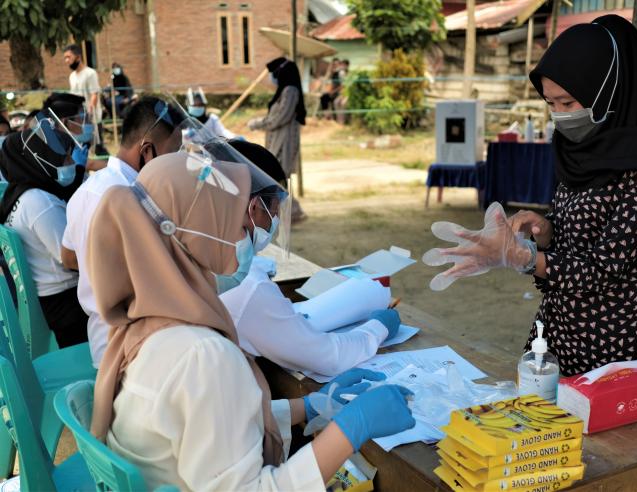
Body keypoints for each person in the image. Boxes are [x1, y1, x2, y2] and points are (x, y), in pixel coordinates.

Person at [87, 149, 415, 490]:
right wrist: (350, 430)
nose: (242, 242)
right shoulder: (202, 355)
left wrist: (307, 407)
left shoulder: (144, 328)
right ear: (195, 239)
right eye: (235, 227)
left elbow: (204, 426)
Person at [424, 15, 637, 377]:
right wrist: (547, 227)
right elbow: (579, 231)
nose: (560, 115)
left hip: (618, 354)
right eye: (551, 103)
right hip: (560, 339)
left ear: (608, 91)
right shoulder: (580, 152)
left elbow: (604, 269)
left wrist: (523, 257)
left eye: (569, 103)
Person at [219, 139, 401, 376]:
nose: (275, 218)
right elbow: (327, 357)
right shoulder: (247, 284)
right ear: (254, 208)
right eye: (275, 209)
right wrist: (378, 328)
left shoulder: (199, 250)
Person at [61, 97, 186, 367]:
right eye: (174, 154)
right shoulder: (131, 200)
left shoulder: (86, 191)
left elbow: (69, 258)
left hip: (103, 337)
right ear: (147, 151)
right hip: (131, 346)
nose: (178, 165)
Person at [0, 115, 88, 347]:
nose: (70, 161)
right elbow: (72, 259)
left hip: (50, 298)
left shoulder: (18, 194)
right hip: (68, 302)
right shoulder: (40, 202)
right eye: (63, 157)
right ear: (41, 161)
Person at [248, 57, 307, 222]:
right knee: (278, 179)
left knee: (279, 179)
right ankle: (290, 213)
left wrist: (258, 123)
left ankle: (290, 213)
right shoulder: (285, 90)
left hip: (284, 143)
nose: (271, 77)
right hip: (278, 141)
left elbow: (280, 117)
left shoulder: (290, 91)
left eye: (272, 73)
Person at [63, 44, 108, 155]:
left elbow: (94, 94)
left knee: (97, 147)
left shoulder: (90, 73)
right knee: (81, 148)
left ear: (78, 57)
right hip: (78, 118)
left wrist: (89, 113)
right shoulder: (72, 76)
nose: (66, 60)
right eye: (65, 58)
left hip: (91, 117)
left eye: (69, 57)